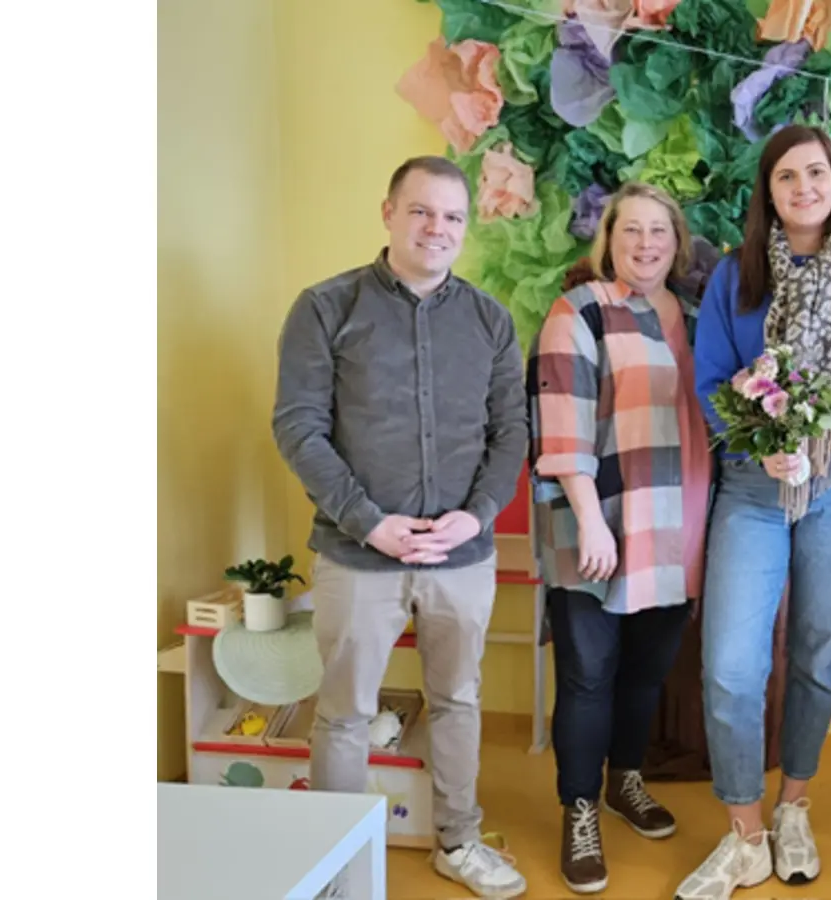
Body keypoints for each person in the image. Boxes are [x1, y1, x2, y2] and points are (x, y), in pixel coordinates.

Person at [272, 156, 530, 899]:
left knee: (458, 701)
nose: (436, 228)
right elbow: (298, 427)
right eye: (421, 211)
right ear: (388, 212)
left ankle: (458, 841)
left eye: (452, 216)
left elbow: (511, 432)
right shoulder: (326, 308)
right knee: (345, 714)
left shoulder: (489, 320)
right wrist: (369, 522)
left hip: (462, 557)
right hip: (358, 556)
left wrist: (475, 515)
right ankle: (335, 870)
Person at [674, 124, 831, 900]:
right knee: (730, 664)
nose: (804, 187)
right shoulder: (735, 277)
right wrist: (756, 443)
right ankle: (745, 834)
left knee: (815, 653)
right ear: (769, 193)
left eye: (816, 173)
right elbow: (712, 379)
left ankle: (794, 808)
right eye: (787, 176)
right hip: (753, 487)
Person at [526, 182, 714, 895]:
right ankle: (579, 809)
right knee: (587, 676)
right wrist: (589, 519)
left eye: (658, 231)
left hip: (677, 528)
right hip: (595, 526)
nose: (645, 244)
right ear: (608, 240)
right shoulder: (581, 311)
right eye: (630, 230)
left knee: (645, 673)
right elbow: (560, 424)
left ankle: (624, 781)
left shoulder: (695, 318)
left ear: (677, 242)